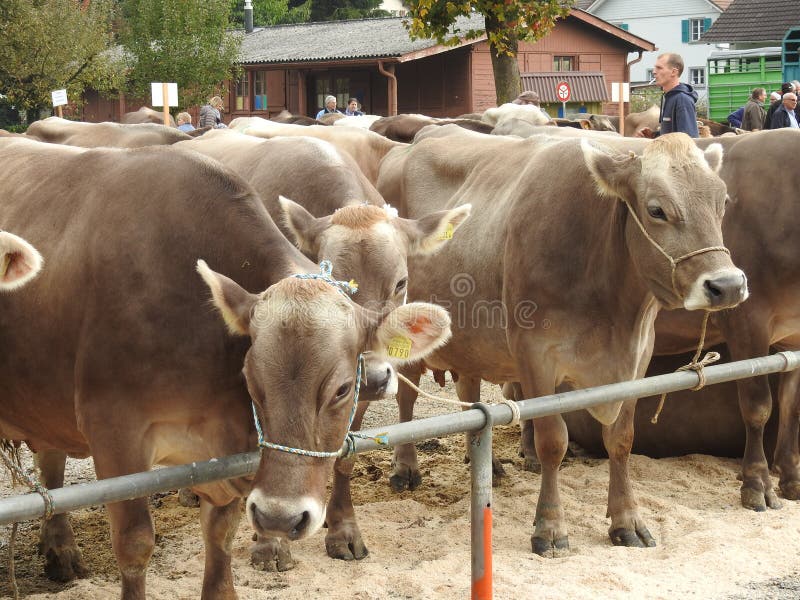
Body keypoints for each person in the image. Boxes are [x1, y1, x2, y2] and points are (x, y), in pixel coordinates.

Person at [636, 52, 699, 138]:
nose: (654, 72)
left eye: (659, 68)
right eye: (655, 68)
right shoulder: (670, 97)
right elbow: (671, 134)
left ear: (673, 72)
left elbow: (688, 140)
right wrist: (653, 135)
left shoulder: (682, 100)